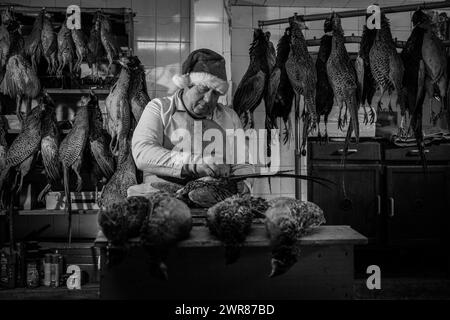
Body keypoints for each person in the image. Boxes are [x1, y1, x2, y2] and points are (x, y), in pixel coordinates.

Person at [128, 49, 254, 196]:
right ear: (186, 83)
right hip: (161, 198)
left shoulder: (229, 117)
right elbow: (143, 152)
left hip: (211, 200)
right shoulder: (159, 108)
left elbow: (243, 163)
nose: (208, 99)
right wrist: (194, 163)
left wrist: (244, 184)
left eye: (215, 93)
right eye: (203, 89)